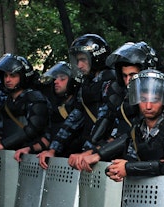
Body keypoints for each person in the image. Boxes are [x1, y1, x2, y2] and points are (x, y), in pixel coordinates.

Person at [69, 41, 161, 172]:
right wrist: (92, 151)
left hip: (148, 170)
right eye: (124, 76)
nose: (128, 80)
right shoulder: (124, 100)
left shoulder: (159, 103)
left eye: (133, 75)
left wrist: (97, 154)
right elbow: (116, 134)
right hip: (127, 168)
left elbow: (133, 135)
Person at [94, 69, 164, 181]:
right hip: (144, 193)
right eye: (143, 100)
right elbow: (129, 159)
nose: (148, 106)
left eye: (155, 100)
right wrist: (115, 170)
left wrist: (129, 168)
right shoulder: (139, 128)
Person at [37, 34, 114, 169]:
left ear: (95, 57)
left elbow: (105, 119)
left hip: (106, 153)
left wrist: (89, 151)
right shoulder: (87, 83)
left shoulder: (111, 82)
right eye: (77, 60)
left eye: (83, 59)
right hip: (89, 154)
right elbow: (74, 118)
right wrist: (53, 149)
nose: (79, 65)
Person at [0, 54, 50, 161]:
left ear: (23, 76)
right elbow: (2, 129)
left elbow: (32, 129)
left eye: (13, 76)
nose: (8, 80)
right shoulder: (7, 100)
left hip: (33, 156)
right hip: (12, 156)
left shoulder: (35, 98)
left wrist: (3, 145)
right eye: (5, 76)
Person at [14, 60, 84, 161]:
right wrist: (30, 149)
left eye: (62, 79)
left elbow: (66, 130)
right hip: (59, 163)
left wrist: (52, 151)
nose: (56, 81)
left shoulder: (79, 106)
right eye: (55, 78)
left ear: (73, 82)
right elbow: (48, 137)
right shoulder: (56, 107)